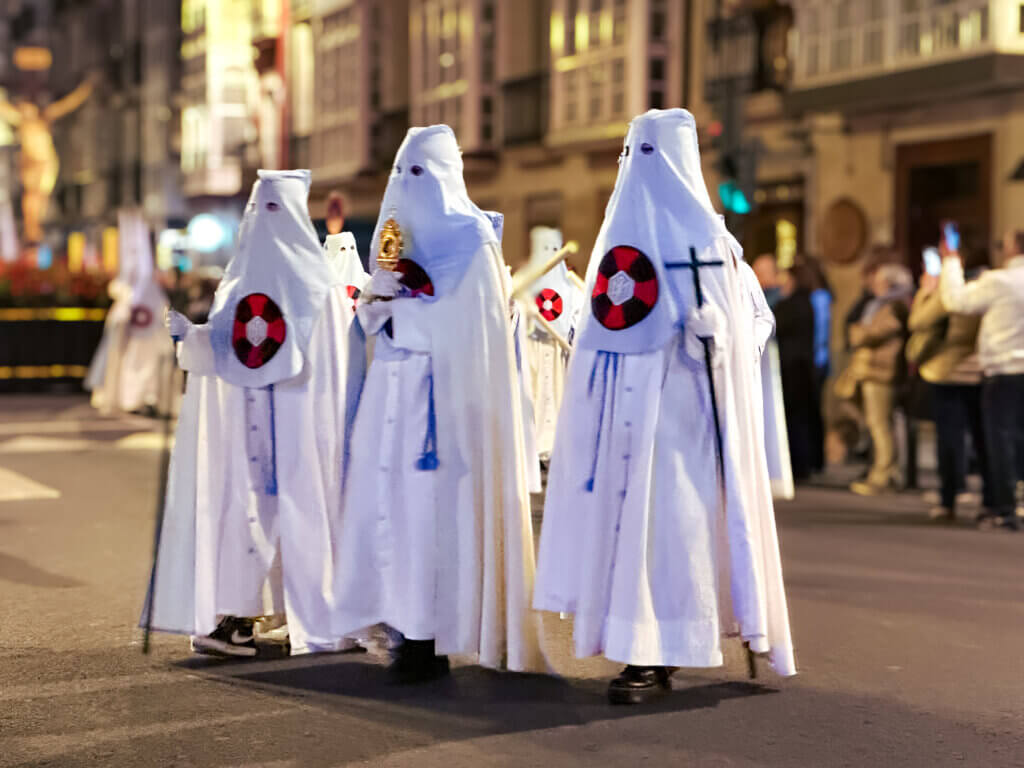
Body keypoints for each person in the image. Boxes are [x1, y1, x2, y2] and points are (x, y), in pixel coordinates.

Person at [534, 109, 795, 706]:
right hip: (623, 424)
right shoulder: (613, 247)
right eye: (632, 156)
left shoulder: (717, 249)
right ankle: (640, 649)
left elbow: (756, 321)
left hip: (684, 423)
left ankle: (661, 650)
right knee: (630, 536)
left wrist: (721, 338)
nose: (636, 171)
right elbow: (597, 324)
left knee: (675, 535)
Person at [330, 125, 544, 683]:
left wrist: (409, 313)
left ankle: (429, 634)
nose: (406, 185)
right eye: (401, 173)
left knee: (432, 518)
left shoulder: (472, 238)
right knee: (390, 514)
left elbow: (475, 330)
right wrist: (377, 305)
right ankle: (399, 623)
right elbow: (374, 316)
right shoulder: (392, 234)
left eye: (418, 172)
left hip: (445, 409)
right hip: (392, 398)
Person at [142, 170, 367, 656]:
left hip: (301, 419)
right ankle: (238, 617)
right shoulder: (238, 283)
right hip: (251, 423)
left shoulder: (319, 288)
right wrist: (195, 337)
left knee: (302, 512)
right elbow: (232, 344)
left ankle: (316, 617)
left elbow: (330, 361)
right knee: (247, 514)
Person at [941, 231, 1024, 531]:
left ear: (1013, 248)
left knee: (1000, 441)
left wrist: (950, 265)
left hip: (1003, 369)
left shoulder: (1001, 281)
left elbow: (956, 301)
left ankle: (1003, 508)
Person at [907, 250, 988, 522]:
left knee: (950, 438)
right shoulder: (983, 293)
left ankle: (948, 499)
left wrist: (925, 292)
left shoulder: (950, 294)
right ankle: (990, 499)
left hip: (948, 373)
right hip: (979, 372)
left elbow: (917, 320)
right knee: (982, 438)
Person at [85, 209, 178, 416]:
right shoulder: (129, 286)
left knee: (151, 364)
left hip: (151, 330)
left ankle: (147, 398)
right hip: (136, 332)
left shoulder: (152, 282)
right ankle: (135, 398)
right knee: (133, 364)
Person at [837, 263, 913, 495]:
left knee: (880, 425)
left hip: (881, 372)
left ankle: (883, 475)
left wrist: (860, 332)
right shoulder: (881, 304)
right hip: (871, 370)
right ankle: (882, 470)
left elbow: (869, 333)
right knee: (875, 422)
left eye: (880, 281)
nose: (875, 286)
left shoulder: (896, 306)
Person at [524, 226, 585, 463]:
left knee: (559, 397)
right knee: (536, 396)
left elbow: (579, 316)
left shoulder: (571, 289)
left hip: (561, 352)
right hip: (533, 349)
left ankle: (559, 449)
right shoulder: (527, 285)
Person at [741, 256, 794, 499]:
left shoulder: (778, 297)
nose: (759, 275)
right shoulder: (752, 291)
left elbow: (767, 321)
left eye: (763, 271)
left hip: (767, 362)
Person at [773, 264, 816, 482]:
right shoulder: (803, 302)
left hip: (793, 367)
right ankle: (801, 465)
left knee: (794, 418)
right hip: (799, 365)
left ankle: (799, 466)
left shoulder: (794, 304)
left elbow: (776, 325)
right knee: (798, 417)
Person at [801, 256, 833, 473]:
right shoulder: (821, 296)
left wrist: (813, 357)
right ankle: (816, 458)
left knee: (811, 410)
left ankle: (816, 458)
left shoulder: (818, 297)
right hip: (817, 358)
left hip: (816, 359)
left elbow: (819, 331)